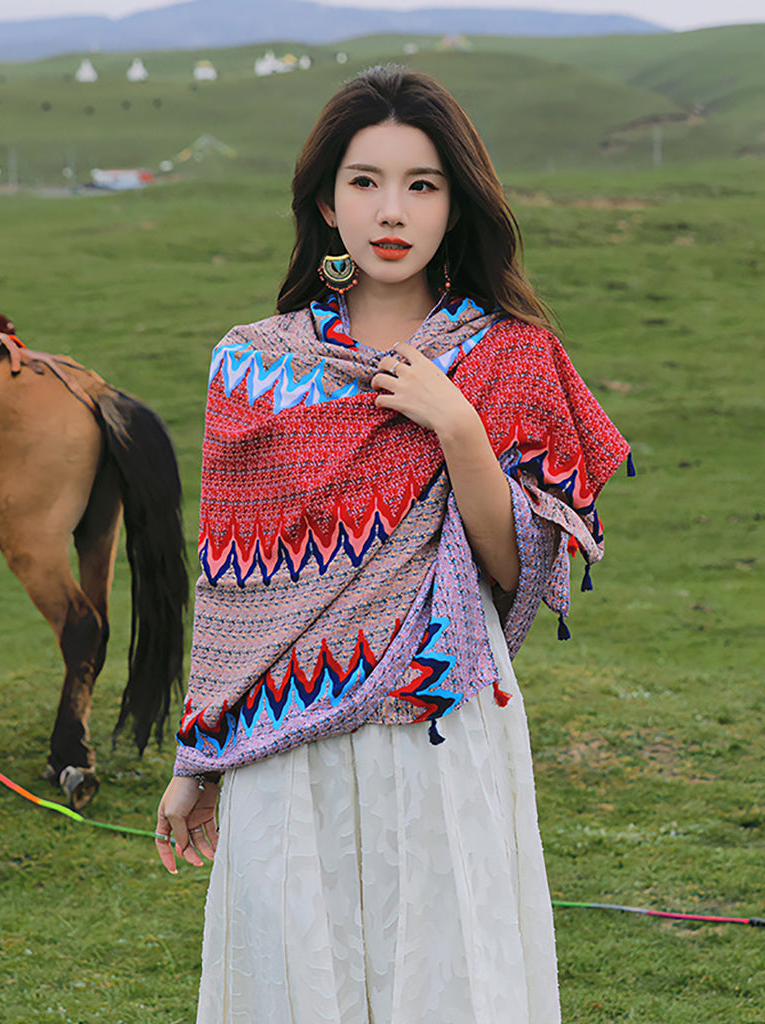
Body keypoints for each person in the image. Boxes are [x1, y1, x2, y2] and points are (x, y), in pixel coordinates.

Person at [154, 64, 630, 1023]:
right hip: (286, 743)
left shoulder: (510, 356)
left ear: (456, 203)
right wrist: (195, 757)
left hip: (437, 725)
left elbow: (514, 572)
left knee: (444, 974)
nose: (392, 211)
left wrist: (456, 424)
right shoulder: (253, 365)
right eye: (365, 182)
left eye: (422, 184)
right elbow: (233, 593)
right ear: (326, 203)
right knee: (299, 974)